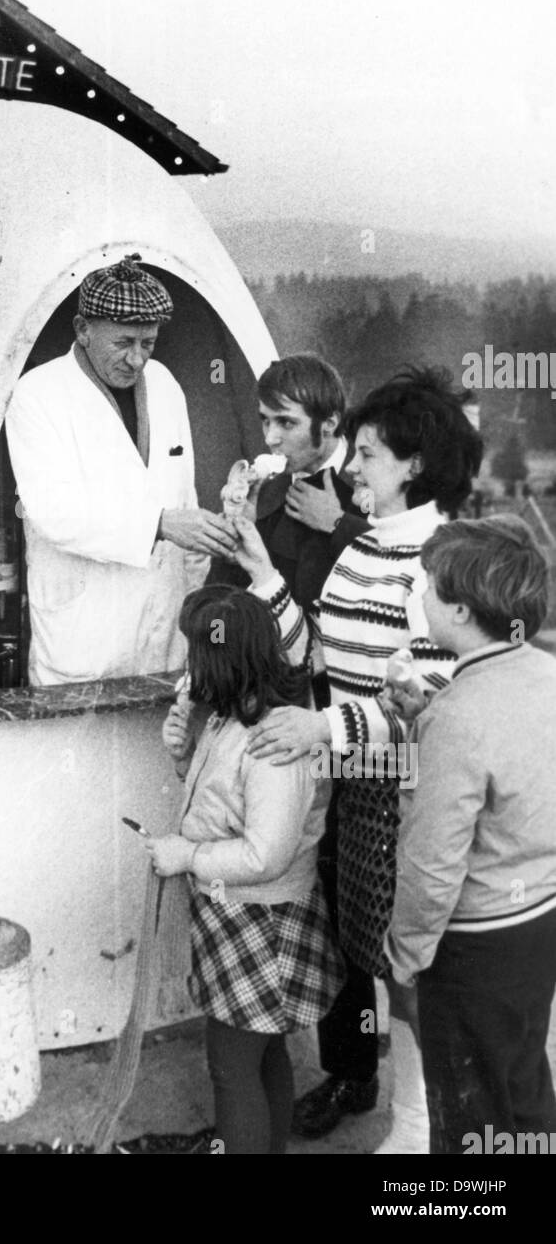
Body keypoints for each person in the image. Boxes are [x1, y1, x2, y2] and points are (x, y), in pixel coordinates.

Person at [229, 367, 483, 1153]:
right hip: (353, 790)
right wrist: (264, 573)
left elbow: (433, 706)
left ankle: (417, 1135)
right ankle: (415, 1123)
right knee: (372, 959)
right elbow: (316, 654)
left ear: (412, 466)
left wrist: (324, 732)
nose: (354, 468)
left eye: (367, 454)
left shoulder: (439, 562)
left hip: (404, 801)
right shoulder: (368, 543)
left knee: (411, 975)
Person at [208, 353, 377, 1137]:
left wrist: (339, 527)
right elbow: (226, 588)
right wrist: (233, 525)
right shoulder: (271, 488)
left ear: (330, 429)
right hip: (270, 714)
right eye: (266, 419)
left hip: (343, 726)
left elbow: (399, 581)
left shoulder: (365, 494)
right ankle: (279, 1046)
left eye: (286, 424)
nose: (270, 436)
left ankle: (352, 1071)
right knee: (296, 890)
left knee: (345, 903)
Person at [146, 585, 344, 1154]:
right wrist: (183, 753)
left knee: (232, 1067)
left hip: (264, 923)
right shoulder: (231, 715)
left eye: (196, 656)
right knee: (264, 1050)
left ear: (222, 662)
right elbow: (221, 802)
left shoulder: (276, 743)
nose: (190, 668)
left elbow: (266, 854)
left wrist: (188, 857)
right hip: (238, 915)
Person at [385, 516, 556, 1155]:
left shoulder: (458, 716)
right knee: (521, 1086)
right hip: (539, 921)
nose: (419, 599)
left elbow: (432, 867)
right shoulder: (543, 673)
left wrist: (405, 956)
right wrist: (428, 717)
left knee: (469, 1123)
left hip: (472, 950)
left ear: (458, 609)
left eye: (426, 587)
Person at [5, 255, 238, 685]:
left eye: (148, 343)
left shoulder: (165, 384)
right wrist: (159, 525)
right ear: (82, 329)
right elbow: (51, 513)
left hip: (165, 634)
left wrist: (194, 606)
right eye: (123, 342)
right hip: (84, 640)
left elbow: (182, 499)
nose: (136, 359)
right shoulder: (37, 395)